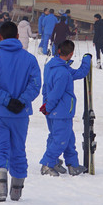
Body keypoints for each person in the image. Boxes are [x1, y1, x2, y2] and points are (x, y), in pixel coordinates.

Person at [0, 20, 41, 202]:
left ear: (0, 37)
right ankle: (17, 191)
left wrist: (6, 101)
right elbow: (35, 84)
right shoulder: (30, 59)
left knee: (0, 150)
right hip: (20, 115)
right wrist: (21, 101)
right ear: (17, 36)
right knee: (18, 150)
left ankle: (0, 191)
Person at [39, 40, 92, 177]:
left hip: (53, 109)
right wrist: (49, 107)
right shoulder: (63, 72)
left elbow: (78, 73)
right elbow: (57, 93)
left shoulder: (52, 66)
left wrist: (46, 105)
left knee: (68, 138)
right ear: (71, 53)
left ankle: (72, 164)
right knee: (60, 139)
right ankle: (48, 163)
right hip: (60, 110)